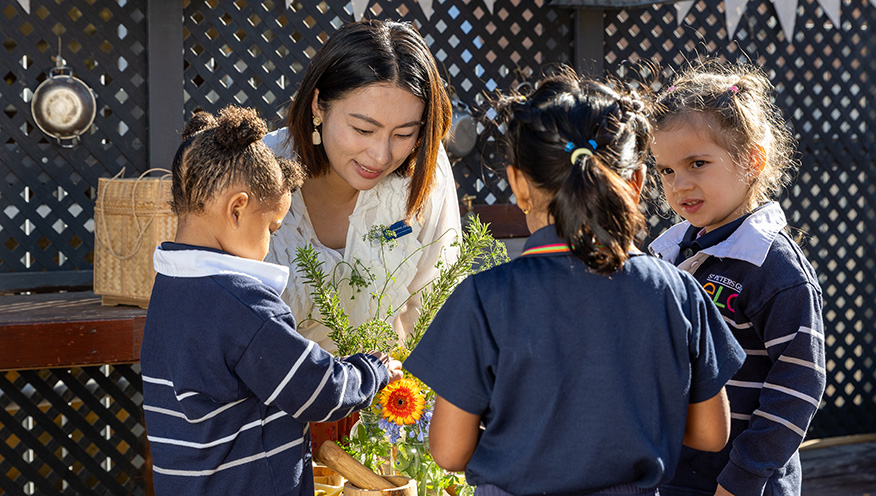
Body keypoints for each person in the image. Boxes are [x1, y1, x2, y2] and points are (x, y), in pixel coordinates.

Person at [404, 71, 747, 496]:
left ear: (518, 185)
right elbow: (712, 433)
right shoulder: (677, 291)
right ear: (636, 183)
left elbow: (449, 453)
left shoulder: (484, 298)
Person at [140, 106, 403, 496]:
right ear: (237, 209)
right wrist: (373, 370)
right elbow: (318, 392)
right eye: (271, 227)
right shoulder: (241, 304)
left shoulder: (171, 286)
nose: (269, 245)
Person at [648, 60, 826, 496]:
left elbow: (800, 385)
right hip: (674, 474)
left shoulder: (774, 268)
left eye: (697, 163)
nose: (679, 185)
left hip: (741, 484)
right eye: (667, 170)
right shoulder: (669, 252)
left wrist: (741, 480)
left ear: (752, 161)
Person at [264, 19, 461, 353]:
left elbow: (439, 310)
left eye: (403, 134)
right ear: (318, 105)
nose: (381, 155)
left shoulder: (424, 168)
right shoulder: (256, 171)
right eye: (363, 129)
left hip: (393, 398)